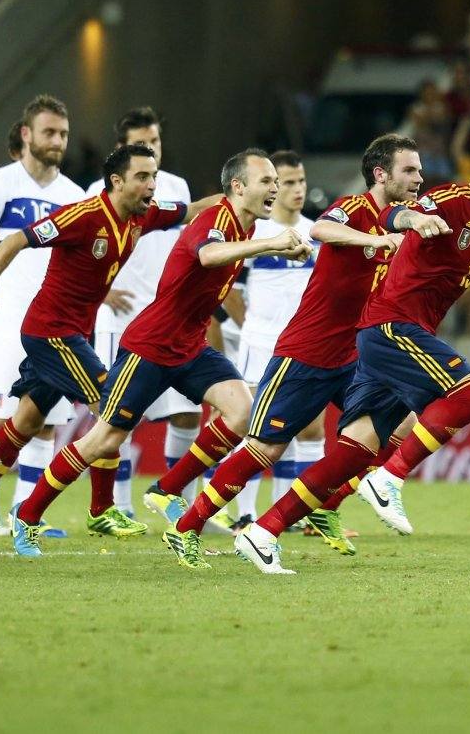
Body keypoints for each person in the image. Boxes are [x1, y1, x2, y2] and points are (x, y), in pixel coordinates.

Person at [234, 127, 470, 574]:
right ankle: (389, 477)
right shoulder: (454, 199)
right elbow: (394, 217)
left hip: (392, 333)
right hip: (392, 324)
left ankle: (263, 531)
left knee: (353, 450)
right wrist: (413, 220)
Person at [4, 150, 311, 558]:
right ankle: (26, 516)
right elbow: (207, 254)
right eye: (266, 181)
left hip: (189, 346)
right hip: (149, 345)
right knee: (104, 439)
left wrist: (274, 246)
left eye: (277, 181)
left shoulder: (246, 226)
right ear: (238, 187)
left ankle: (167, 490)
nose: (274, 188)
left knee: (242, 412)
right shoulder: (218, 219)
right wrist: (271, 245)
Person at [162, 135, 442, 566]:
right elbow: (320, 228)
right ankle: (188, 526)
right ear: (382, 174)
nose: (418, 178)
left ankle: (324, 506)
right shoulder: (355, 209)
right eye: (409, 170)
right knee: (265, 449)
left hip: (353, 358)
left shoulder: (403, 220)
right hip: (305, 353)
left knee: (400, 427)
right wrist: (377, 241)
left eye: (420, 170)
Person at [0, 142, 218, 544]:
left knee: (26, 422)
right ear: (116, 181)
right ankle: (102, 510)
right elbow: (16, 239)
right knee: (112, 408)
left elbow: (191, 210)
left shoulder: (143, 216)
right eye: (143, 177)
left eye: (154, 176)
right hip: (51, 333)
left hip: (69, 334)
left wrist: (235, 196)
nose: (152, 185)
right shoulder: (84, 216)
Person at [0, 96, 85, 539]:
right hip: (10, 313)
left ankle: (23, 514)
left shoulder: (73, 196)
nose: (58, 141)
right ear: (26, 134)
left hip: (55, 321)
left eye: (64, 134)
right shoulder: (0, 184)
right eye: (49, 132)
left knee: (46, 421)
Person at [88, 108, 194, 516]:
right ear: (122, 149)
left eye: (157, 141)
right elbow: (80, 250)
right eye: (143, 143)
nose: (153, 149)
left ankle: (177, 504)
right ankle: (121, 506)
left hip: (171, 318)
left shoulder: (178, 187)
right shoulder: (99, 192)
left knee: (187, 413)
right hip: (122, 320)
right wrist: (104, 290)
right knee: (120, 420)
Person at [227, 150, 317, 528]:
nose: (296, 189)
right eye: (287, 182)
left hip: (303, 344)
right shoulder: (256, 232)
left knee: (307, 428)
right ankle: (244, 513)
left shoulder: (317, 231)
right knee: (253, 426)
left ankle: (297, 515)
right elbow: (228, 286)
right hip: (260, 342)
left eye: (301, 181)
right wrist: (252, 325)